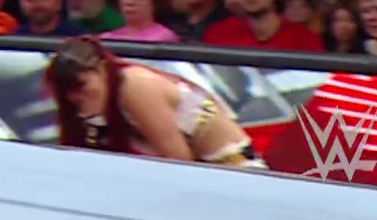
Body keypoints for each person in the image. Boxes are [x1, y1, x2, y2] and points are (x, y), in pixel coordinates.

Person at [45, 36, 265, 168]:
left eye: (81, 85)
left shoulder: (135, 86)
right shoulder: (99, 104)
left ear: (101, 69)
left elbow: (179, 162)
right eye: (68, 92)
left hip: (234, 170)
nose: (76, 97)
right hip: (205, 172)